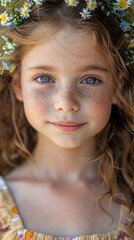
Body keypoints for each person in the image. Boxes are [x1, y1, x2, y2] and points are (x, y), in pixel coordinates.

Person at [0, 0, 134, 239]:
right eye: (43, 78)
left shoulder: (130, 201)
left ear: (117, 87)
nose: (66, 103)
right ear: (18, 85)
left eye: (90, 79)